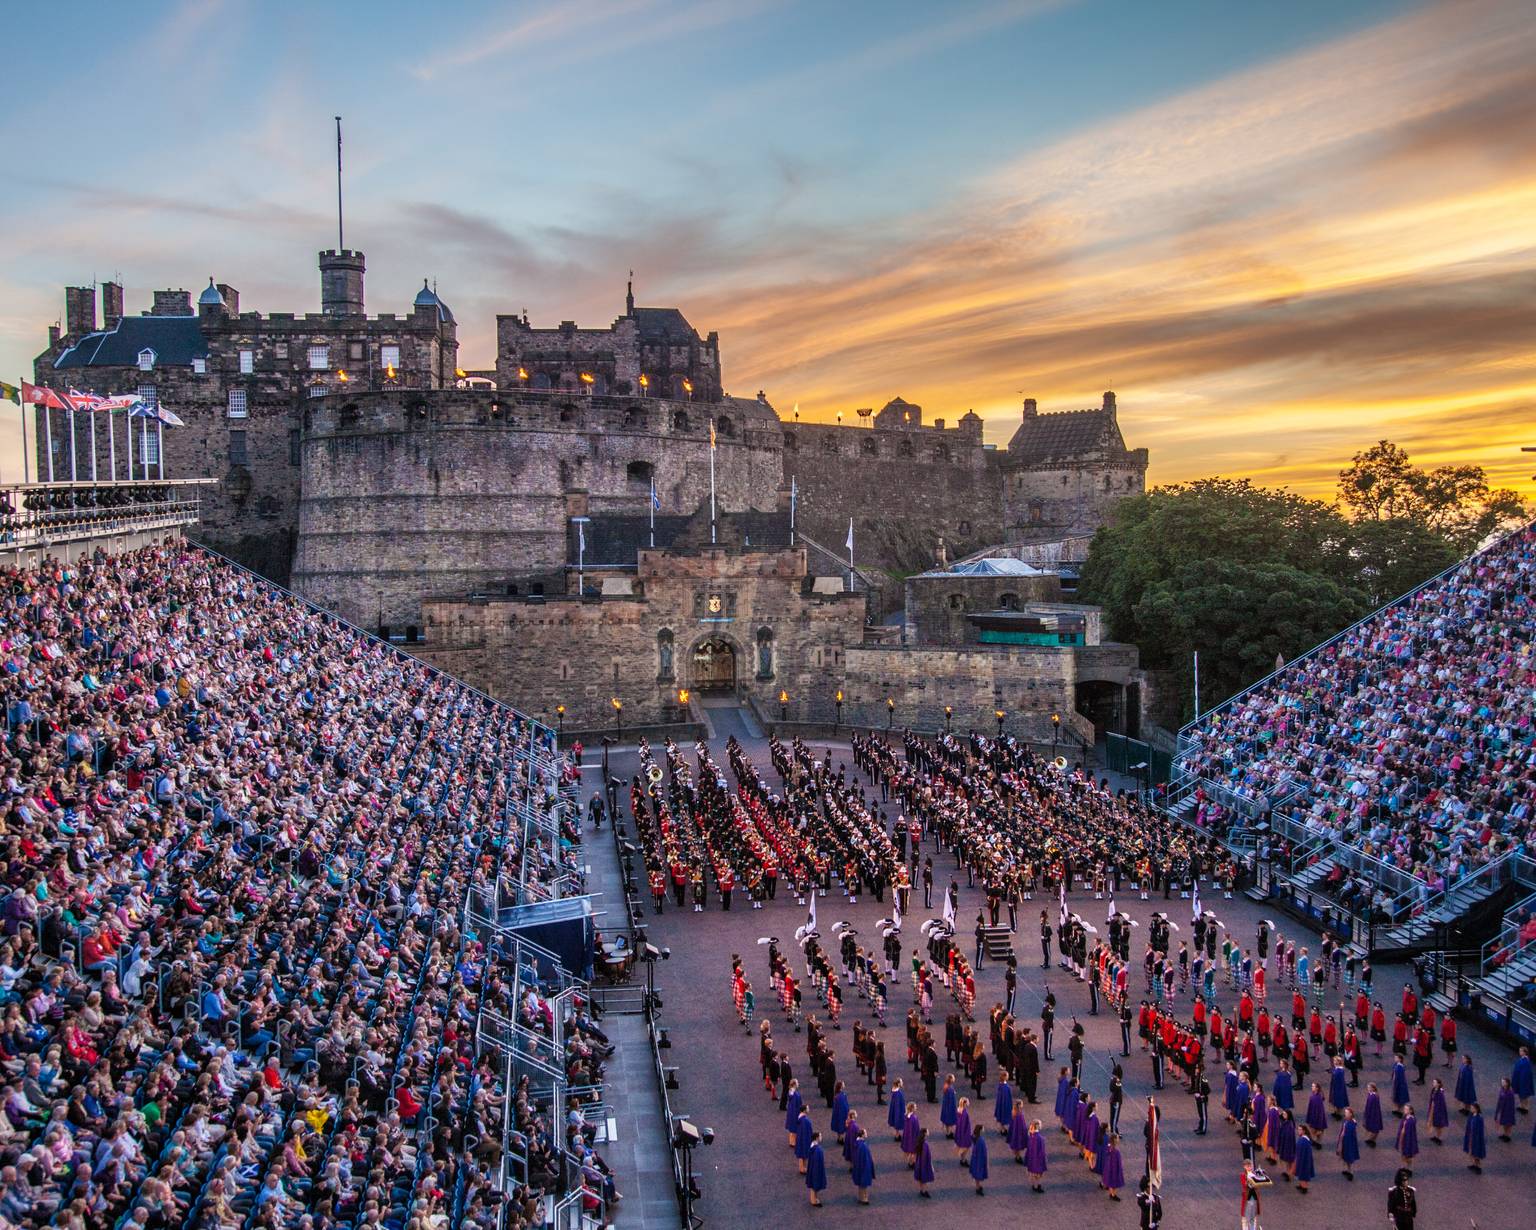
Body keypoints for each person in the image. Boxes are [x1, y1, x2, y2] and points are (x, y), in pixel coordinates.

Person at [850, 1125, 875, 1204]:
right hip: (864, 1167)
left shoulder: (857, 1144)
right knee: (864, 1184)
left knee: (860, 1183)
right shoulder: (863, 1146)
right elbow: (865, 1158)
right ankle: (864, 1198)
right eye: (865, 1133)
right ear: (862, 1135)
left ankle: (861, 1197)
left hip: (858, 1166)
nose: (866, 1134)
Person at [1025, 1119, 1049, 1192]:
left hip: (1031, 1157)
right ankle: (1038, 1185)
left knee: (1032, 1172)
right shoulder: (1041, 1139)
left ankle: (1033, 1185)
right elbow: (1042, 1151)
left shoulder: (1031, 1136)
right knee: (1038, 1174)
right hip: (1038, 1159)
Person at [1239, 1158, 1262, 1230]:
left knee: (1253, 1217)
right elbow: (1245, 1185)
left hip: (1254, 1198)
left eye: (1250, 1166)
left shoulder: (1255, 1174)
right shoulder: (1243, 1175)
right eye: (1248, 1166)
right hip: (1247, 1199)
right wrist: (1250, 1179)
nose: (1249, 1168)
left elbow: (1258, 1184)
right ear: (1244, 1167)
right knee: (1245, 1218)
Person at [805, 1131, 827, 1206]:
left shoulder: (812, 1147)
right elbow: (818, 1162)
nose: (821, 1137)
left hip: (812, 1168)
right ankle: (814, 1200)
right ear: (817, 1138)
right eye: (820, 1136)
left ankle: (813, 1198)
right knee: (815, 1184)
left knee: (812, 1184)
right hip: (816, 1170)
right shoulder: (818, 1150)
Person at [1100, 1132, 1124, 1200]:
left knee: (1110, 1180)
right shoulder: (1116, 1151)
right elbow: (1118, 1161)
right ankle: (1113, 1194)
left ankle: (1111, 1193)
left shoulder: (1109, 1147)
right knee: (1115, 1182)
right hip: (1114, 1168)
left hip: (1108, 1167)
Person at [1337, 1106, 1360, 1180]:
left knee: (1349, 1158)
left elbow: (1347, 1133)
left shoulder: (1351, 1123)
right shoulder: (1347, 1121)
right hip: (1345, 1142)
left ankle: (1351, 1172)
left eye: (1346, 1113)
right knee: (1346, 1157)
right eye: (1345, 1113)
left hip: (1348, 1143)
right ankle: (1348, 1170)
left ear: (1351, 1114)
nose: (1345, 1114)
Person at [1463, 1102, 1486, 1173]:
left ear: (1476, 1109)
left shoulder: (1479, 1118)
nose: (1471, 1109)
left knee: (1476, 1152)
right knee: (1472, 1151)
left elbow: (1480, 1130)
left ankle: (1478, 1167)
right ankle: (1474, 1164)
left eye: (1472, 1108)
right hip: (1470, 1136)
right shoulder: (1471, 1116)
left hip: (1476, 1138)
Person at [913, 1126, 935, 1197]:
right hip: (924, 1164)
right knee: (924, 1179)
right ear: (925, 1134)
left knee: (920, 1178)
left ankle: (921, 1190)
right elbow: (926, 1155)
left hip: (919, 1163)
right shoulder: (925, 1144)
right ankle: (924, 1191)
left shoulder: (920, 1142)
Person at [969, 1123, 989, 1195]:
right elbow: (983, 1151)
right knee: (978, 1173)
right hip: (979, 1159)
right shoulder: (981, 1141)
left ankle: (978, 1186)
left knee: (976, 1173)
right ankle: (978, 1188)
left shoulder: (975, 1138)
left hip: (975, 1158)